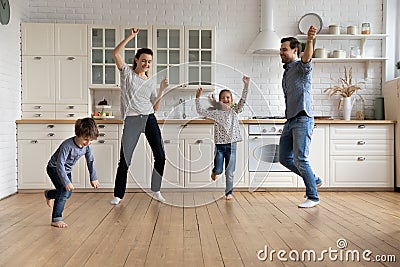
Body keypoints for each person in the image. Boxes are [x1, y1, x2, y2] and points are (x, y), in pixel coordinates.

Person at [110, 28, 168, 205]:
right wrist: (130, 36)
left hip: (149, 118)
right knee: (125, 159)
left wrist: (161, 90)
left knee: (160, 156)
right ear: (136, 60)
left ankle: (156, 190)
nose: (146, 64)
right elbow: (115, 53)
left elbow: (155, 107)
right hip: (132, 120)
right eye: (144, 60)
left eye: (149, 62)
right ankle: (118, 195)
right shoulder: (127, 74)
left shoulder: (150, 82)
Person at [278, 25, 323, 208]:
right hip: (291, 120)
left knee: (301, 159)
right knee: (284, 158)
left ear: (295, 50)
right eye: (280, 49)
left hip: (303, 118)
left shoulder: (300, 67)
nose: (281, 52)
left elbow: (307, 58)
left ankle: (313, 196)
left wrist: (310, 40)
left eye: (284, 49)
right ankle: (314, 179)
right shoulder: (287, 70)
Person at [195, 76, 250, 200]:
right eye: (223, 98)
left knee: (229, 173)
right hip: (219, 147)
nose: (226, 99)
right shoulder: (215, 114)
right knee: (219, 170)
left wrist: (246, 85)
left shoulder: (235, 111)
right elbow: (200, 111)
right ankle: (214, 172)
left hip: (232, 146)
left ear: (231, 100)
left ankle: (229, 193)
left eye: (228, 97)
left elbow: (243, 100)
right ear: (219, 101)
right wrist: (197, 99)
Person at [44, 118, 100, 228]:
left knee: (67, 193)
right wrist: (66, 182)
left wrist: (93, 177)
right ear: (78, 134)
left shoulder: (87, 146)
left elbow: (90, 161)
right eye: (85, 139)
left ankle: (49, 194)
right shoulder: (67, 145)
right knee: (64, 191)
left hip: (66, 170)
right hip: (54, 168)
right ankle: (56, 219)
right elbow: (60, 164)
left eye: (90, 140)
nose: (88, 143)